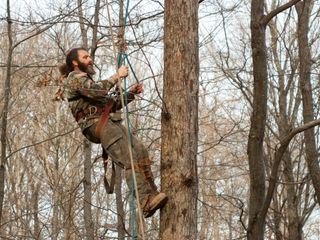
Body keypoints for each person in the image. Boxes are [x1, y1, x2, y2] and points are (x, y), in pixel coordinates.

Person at [59, 47, 168, 218]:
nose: (90, 59)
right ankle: (145, 202)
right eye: (85, 57)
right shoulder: (73, 80)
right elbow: (96, 90)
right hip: (95, 125)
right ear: (75, 62)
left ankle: (152, 193)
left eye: (89, 56)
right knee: (129, 158)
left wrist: (131, 94)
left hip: (107, 121)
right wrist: (116, 75)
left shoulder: (86, 82)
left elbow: (112, 103)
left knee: (140, 150)